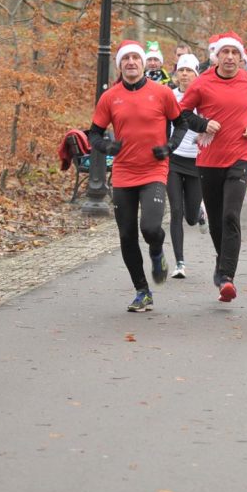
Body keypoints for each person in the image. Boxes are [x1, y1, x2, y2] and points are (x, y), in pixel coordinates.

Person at [89, 40, 186, 311]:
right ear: (120, 65)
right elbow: (94, 133)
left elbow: (181, 124)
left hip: (154, 170)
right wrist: (108, 147)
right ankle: (142, 291)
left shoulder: (162, 93)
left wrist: (169, 147)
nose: (131, 62)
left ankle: (156, 251)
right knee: (127, 235)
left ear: (143, 63)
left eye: (135, 58)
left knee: (151, 228)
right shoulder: (110, 97)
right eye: (126, 58)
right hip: (123, 172)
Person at [179, 32, 247, 303]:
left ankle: (227, 278)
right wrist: (203, 124)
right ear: (216, 56)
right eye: (225, 52)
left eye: (234, 53)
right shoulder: (202, 82)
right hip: (208, 159)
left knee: (231, 215)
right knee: (217, 219)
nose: (230, 57)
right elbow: (182, 113)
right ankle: (222, 261)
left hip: (240, 156)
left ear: (241, 57)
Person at [165, 54, 208, 279]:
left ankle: (199, 213)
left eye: (189, 71)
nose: (184, 74)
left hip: (196, 161)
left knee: (190, 217)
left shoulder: (203, 97)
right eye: (181, 70)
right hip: (173, 159)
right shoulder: (169, 96)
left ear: (196, 74)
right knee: (176, 211)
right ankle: (179, 263)